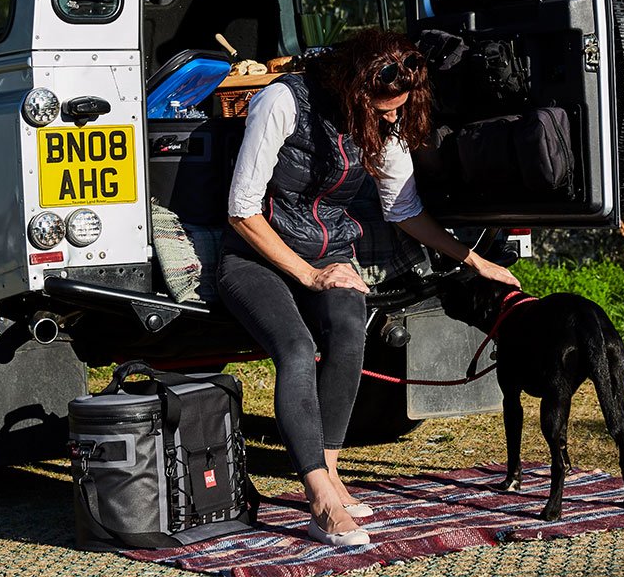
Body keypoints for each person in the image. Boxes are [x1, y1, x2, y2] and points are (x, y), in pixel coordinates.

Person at [217, 28, 519, 546]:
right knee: (295, 349)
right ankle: (319, 500)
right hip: (254, 257)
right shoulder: (280, 101)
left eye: (398, 110)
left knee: (349, 328)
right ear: (355, 89)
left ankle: (329, 470)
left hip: (328, 253)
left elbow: (403, 209)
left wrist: (472, 259)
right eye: (383, 110)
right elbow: (241, 209)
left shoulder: (384, 118)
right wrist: (309, 275)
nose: (391, 120)